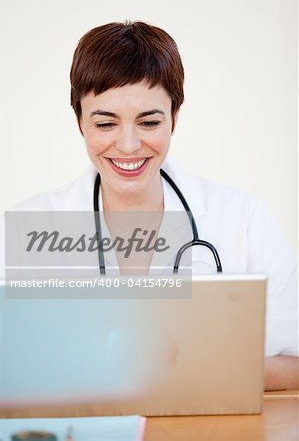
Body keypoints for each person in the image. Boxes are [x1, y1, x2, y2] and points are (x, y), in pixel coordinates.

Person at [2, 21, 298, 390]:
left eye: (149, 121)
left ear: (174, 118)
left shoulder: (244, 220)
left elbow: (294, 362)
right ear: (80, 121)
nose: (128, 145)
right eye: (106, 123)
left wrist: (183, 371)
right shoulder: (26, 229)